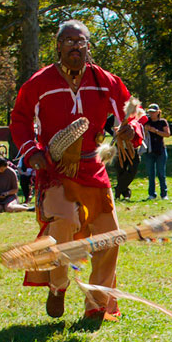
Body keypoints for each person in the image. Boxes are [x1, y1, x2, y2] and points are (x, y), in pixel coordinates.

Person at [11, 19, 131, 320]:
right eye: (68, 41)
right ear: (58, 45)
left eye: (81, 42)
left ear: (88, 47)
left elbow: (131, 111)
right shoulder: (40, 82)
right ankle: (58, 285)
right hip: (55, 170)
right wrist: (32, 152)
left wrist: (131, 130)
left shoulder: (104, 80)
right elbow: (20, 120)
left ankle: (97, 305)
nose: (75, 46)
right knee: (62, 226)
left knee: (110, 235)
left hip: (93, 168)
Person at [144, 103, 170, 200]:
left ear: (158, 112)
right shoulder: (146, 122)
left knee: (161, 173)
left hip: (160, 150)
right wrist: (146, 130)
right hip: (149, 150)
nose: (152, 114)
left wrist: (155, 131)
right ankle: (151, 194)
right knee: (151, 174)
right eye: (150, 112)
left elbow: (167, 134)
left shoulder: (162, 122)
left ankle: (164, 194)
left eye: (154, 112)